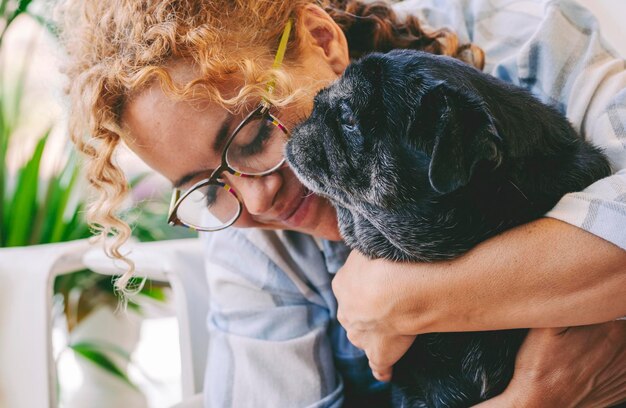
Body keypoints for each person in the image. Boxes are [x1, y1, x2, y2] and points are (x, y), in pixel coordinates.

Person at [60, 0, 626, 406]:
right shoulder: (252, 248)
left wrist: (397, 300)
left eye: (256, 135)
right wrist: (535, 397)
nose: (259, 197)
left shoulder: (528, 50)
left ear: (324, 42)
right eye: (209, 187)